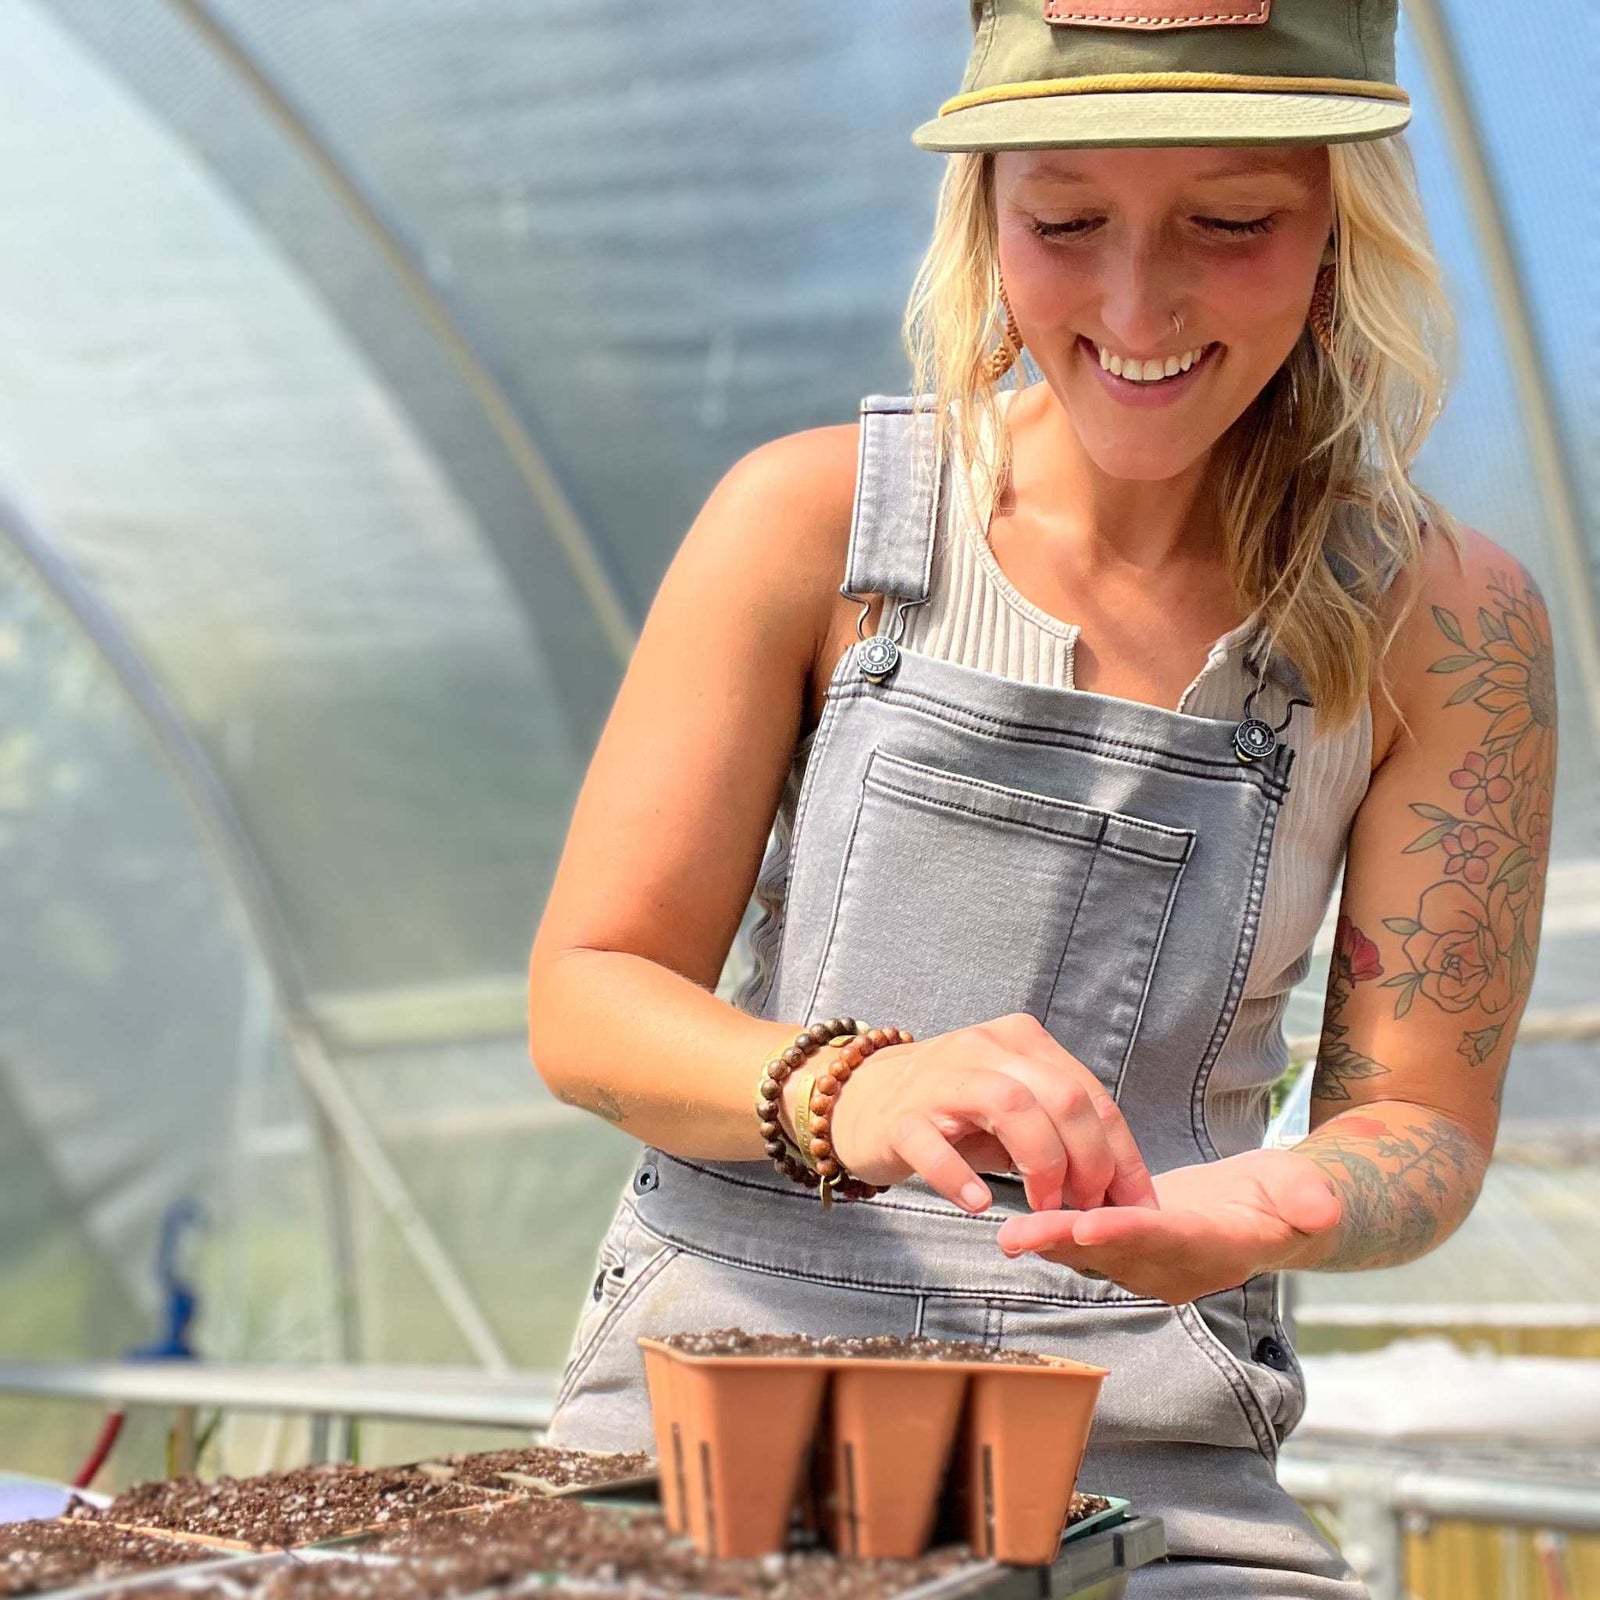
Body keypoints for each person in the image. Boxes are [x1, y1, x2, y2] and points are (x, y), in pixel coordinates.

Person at [526, 1, 1557, 1592]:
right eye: (1066, 223)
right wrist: (852, 1090)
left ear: (1341, 228)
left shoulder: (1448, 625)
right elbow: (588, 996)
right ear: (985, 214)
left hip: (1143, 1445)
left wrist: (1276, 1202)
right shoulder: (808, 526)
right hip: (726, 1412)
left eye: (1230, 223)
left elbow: (1419, 1124)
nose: (1138, 305)